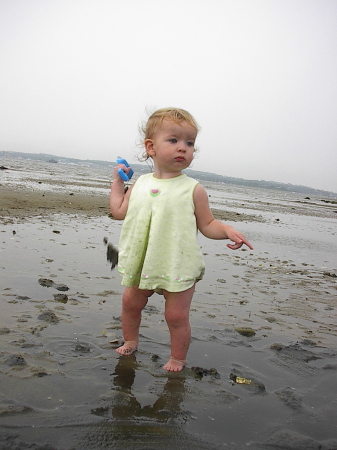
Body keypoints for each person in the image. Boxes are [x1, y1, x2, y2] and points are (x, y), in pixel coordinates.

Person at [110, 107, 253, 372]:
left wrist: (227, 230)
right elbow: (118, 211)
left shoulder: (193, 189)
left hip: (178, 262)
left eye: (189, 143)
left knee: (175, 316)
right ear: (151, 147)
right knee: (131, 303)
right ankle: (130, 340)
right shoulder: (140, 183)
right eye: (173, 140)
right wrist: (117, 183)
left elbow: (208, 224)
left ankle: (177, 357)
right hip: (143, 260)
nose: (183, 148)